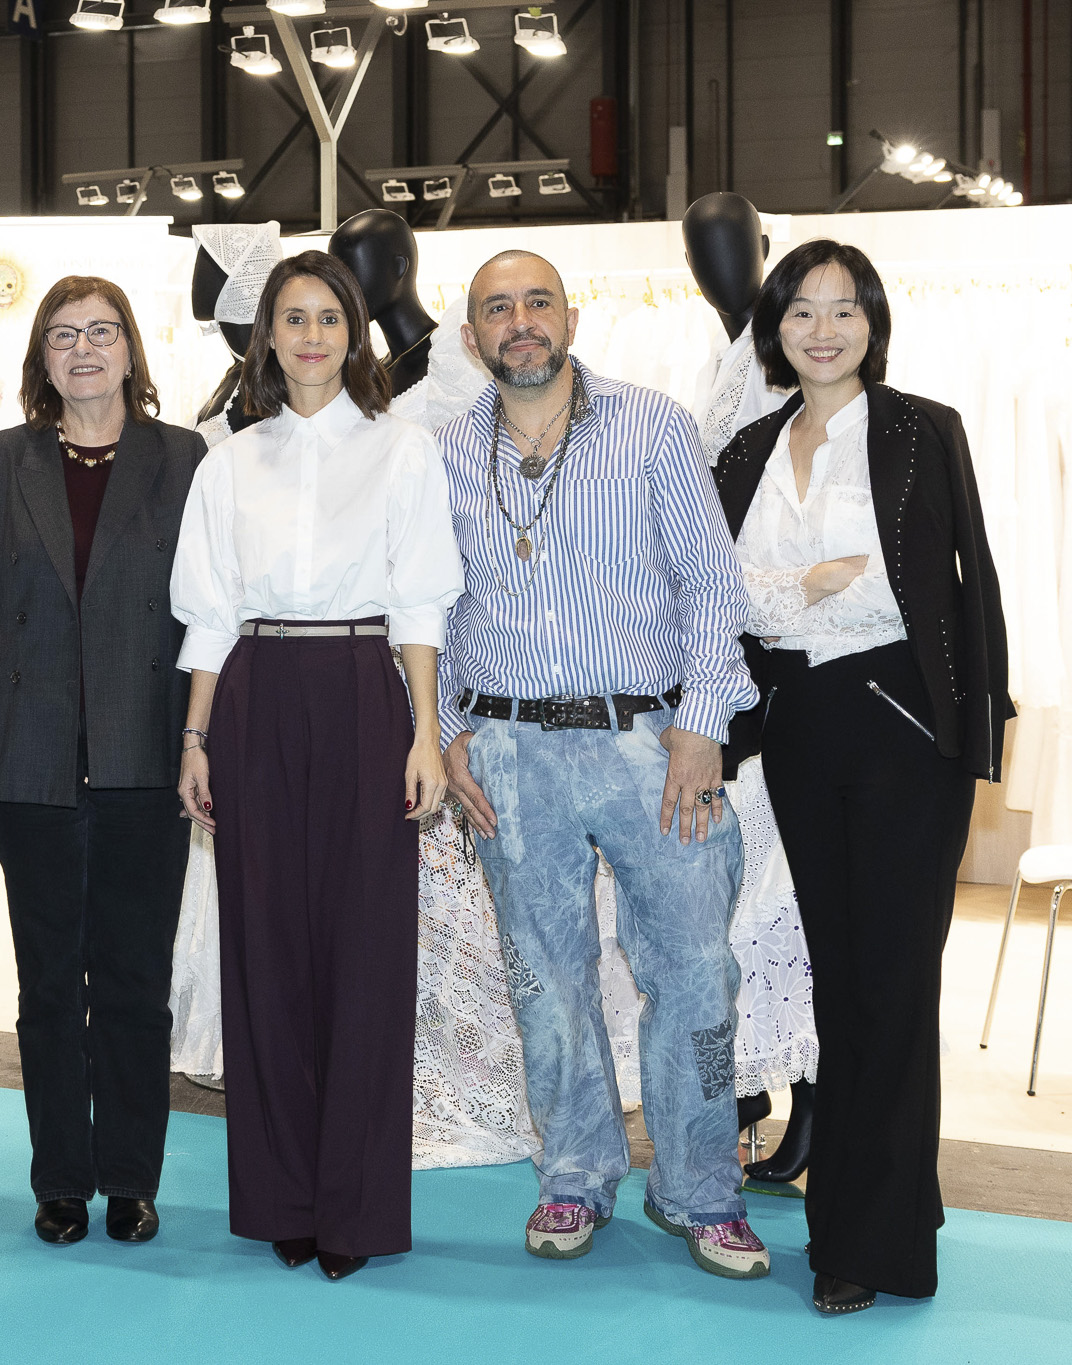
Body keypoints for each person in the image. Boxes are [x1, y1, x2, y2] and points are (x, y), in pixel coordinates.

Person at [436, 249, 769, 1281]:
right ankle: (574, 1174)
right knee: (546, 979)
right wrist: (447, 730)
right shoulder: (440, 452)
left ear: (569, 318)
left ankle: (701, 1189)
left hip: (651, 743)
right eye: (498, 308)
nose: (520, 322)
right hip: (507, 751)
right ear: (472, 338)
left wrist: (701, 722)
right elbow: (424, 605)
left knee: (694, 974)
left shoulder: (652, 426)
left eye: (537, 301)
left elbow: (711, 586)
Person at [711, 239, 1010, 1313]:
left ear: (873, 322)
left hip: (901, 723)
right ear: (774, 329)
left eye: (844, 309)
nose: (823, 330)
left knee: (892, 982)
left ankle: (869, 1245)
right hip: (797, 726)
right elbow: (720, 595)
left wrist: (980, 727)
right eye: (801, 310)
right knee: (837, 981)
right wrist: (802, 585)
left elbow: (965, 586)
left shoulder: (923, 429)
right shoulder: (745, 448)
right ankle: (885, 1204)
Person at [173, 250, 462, 1282]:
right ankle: (282, 1198)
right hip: (252, 695)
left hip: (361, 689)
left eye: (328, 318)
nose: (310, 337)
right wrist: (195, 739)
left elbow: (420, 602)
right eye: (291, 318)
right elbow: (209, 614)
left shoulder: (401, 450)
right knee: (263, 951)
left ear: (355, 333)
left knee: (364, 955)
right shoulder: (227, 461)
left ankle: (355, 1206)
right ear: (267, 336)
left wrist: (423, 735)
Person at [0, 276, 205, 1246]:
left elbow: (207, 612)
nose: (84, 350)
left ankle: (130, 1178)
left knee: (134, 983)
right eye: (63, 335)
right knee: (48, 984)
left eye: (101, 332)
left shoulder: (182, 457)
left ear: (130, 349)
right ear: (40, 358)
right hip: (30, 760)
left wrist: (202, 739)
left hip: (148, 755)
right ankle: (58, 1178)